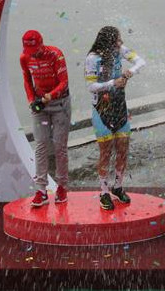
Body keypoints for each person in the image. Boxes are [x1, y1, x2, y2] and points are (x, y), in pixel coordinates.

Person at [85, 26, 145, 211]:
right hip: (102, 109)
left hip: (120, 107)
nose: (121, 42)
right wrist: (113, 82)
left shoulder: (120, 50)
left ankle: (117, 186)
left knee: (123, 149)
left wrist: (130, 72)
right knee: (106, 152)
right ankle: (104, 192)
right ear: (108, 42)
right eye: (118, 39)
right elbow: (91, 87)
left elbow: (140, 61)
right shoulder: (93, 58)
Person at [19, 30, 71, 208]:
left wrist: (51, 95)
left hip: (60, 103)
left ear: (41, 44)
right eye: (29, 50)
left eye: (35, 50)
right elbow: (27, 80)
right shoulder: (24, 58)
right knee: (41, 144)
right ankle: (41, 190)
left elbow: (64, 81)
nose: (32, 54)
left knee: (59, 145)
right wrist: (31, 100)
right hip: (40, 105)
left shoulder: (55, 54)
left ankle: (62, 186)